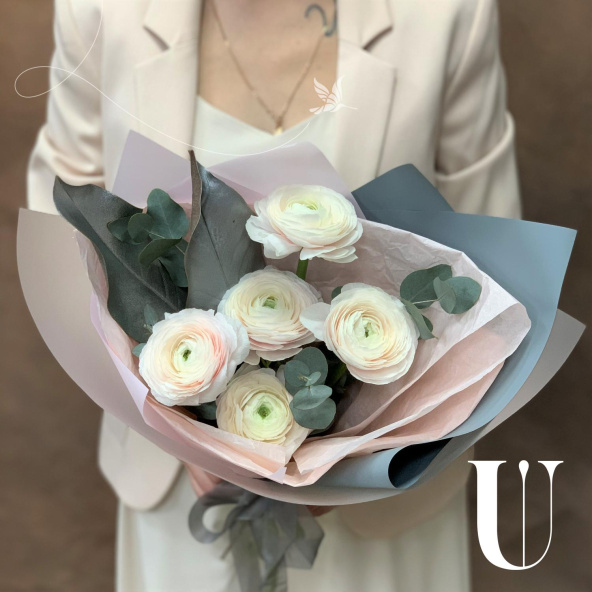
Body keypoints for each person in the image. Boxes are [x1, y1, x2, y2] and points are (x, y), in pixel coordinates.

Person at [28, 1, 521, 590]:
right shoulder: (100, 10)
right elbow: (60, 234)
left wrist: (347, 451)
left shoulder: (447, 14)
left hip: (382, 503)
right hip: (180, 490)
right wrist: (179, 420)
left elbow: (498, 272)